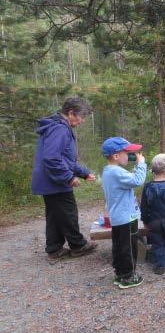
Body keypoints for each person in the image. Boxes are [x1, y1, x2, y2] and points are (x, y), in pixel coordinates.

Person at [32, 96, 98, 262]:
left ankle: (54, 249)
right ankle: (78, 245)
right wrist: (68, 177)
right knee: (68, 213)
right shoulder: (60, 129)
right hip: (55, 182)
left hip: (49, 182)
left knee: (55, 215)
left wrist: (84, 173)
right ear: (71, 113)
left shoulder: (57, 127)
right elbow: (52, 158)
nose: (82, 121)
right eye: (81, 116)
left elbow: (65, 159)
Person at [101, 137, 147, 289]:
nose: (130, 155)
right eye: (127, 152)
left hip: (118, 217)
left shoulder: (109, 171)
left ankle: (120, 273)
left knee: (120, 246)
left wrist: (135, 168)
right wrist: (141, 164)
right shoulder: (116, 172)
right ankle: (128, 277)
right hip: (126, 218)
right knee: (129, 248)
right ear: (116, 156)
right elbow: (137, 181)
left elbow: (128, 181)